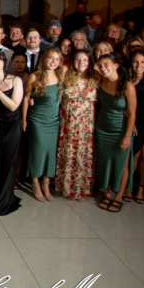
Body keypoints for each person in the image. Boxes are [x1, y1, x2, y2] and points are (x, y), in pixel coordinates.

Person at [93, 54, 137, 213]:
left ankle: (118, 196)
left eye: (106, 64)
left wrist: (127, 136)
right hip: (102, 127)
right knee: (104, 162)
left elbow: (132, 113)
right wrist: (98, 69)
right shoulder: (102, 81)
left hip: (120, 130)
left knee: (122, 164)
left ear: (116, 65)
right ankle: (106, 193)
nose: (103, 68)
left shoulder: (127, 86)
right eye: (100, 65)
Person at [54, 50, 98, 201]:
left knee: (83, 156)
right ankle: (66, 188)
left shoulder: (95, 78)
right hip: (68, 125)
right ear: (73, 62)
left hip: (86, 128)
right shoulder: (66, 77)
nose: (81, 63)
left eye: (85, 60)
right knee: (68, 155)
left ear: (90, 62)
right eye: (78, 60)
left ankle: (81, 189)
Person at [22, 48, 63, 201]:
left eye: (57, 59)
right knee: (37, 151)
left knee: (50, 153)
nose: (53, 61)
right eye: (50, 58)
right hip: (37, 120)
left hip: (54, 121)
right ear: (44, 59)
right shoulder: (35, 76)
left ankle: (46, 182)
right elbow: (26, 99)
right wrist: (24, 119)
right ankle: (35, 182)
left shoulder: (61, 75)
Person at [0, 51, 23, 215]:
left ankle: (4, 199)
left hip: (12, 126)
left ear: (4, 62)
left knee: (7, 162)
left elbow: (14, 106)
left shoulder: (15, 80)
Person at [126, 51, 144, 204]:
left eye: (143, 62)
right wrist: (130, 121)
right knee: (135, 155)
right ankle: (128, 187)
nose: (139, 65)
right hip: (134, 122)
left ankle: (141, 189)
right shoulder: (126, 80)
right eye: (136, 62)